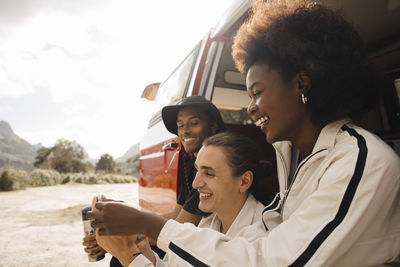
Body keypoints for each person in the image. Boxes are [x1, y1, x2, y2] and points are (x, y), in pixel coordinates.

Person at [88, 0, 400, 266]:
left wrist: (149, 226)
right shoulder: (295, 157)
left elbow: (276, 259)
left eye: (257, 92)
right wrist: (146, 248)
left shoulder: (360, 158)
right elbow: (261, 235)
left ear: (301, 85)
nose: (250, 108)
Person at [83, 95, 227, 265]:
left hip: (208, 242)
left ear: (213, 126)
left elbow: (181, 226)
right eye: (180, 125)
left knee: (122, 259)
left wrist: (120, 241)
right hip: (192, 234)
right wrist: (125, 219)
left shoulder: (214, 164)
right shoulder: (193, 163)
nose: (185, 130)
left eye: (193, 123)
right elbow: (176, 214)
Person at [126, 132, 270, 266]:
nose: (195, 184)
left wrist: (127, 257)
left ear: (244, 181)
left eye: (208, 173)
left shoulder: (260, 241)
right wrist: (144, 250)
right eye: (197, 170)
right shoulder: (208, 222)